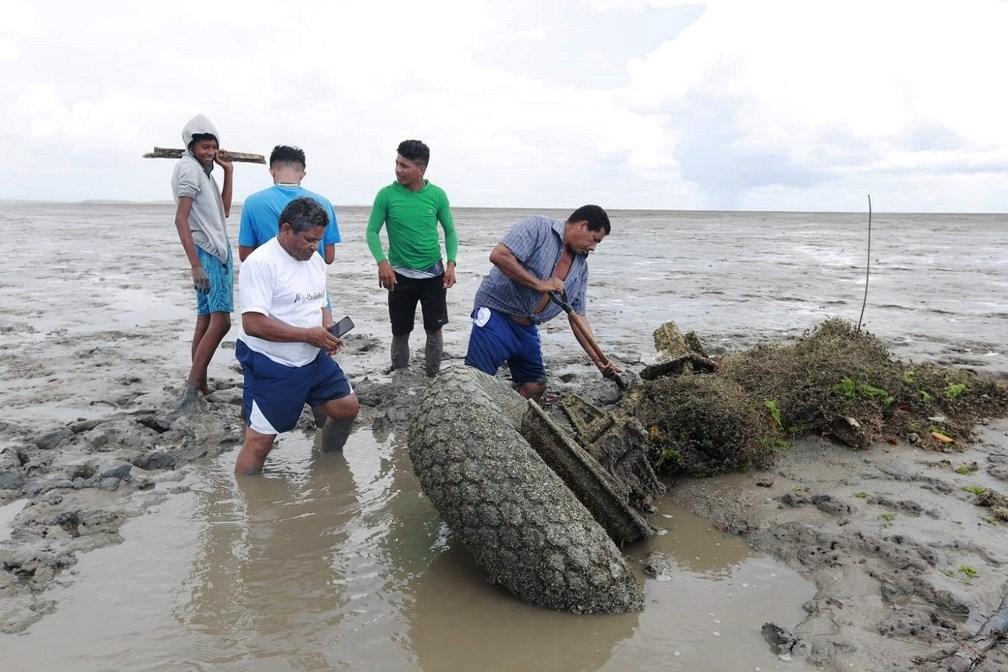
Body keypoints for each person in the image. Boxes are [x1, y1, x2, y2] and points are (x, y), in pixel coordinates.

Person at [233, 197, 359, 475]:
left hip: (312, 357)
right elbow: (253, 323)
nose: (315, 247)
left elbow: (320, 301)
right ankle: (249, 502)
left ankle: (329, 461)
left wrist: (326, 330)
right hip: (272, 362)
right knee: (259, 443)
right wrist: (307, 335)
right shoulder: (261, 264)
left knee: (346, 407)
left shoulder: (315, 261)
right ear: (287, 229)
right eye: (309, 240)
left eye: (319, 240)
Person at [464, 205, 620, 401]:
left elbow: (578, 316)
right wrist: (539, 284)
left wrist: (599, 360)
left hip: (527, 327)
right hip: (497, 314)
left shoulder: (581, 267)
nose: (593, 248)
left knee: (535, 386)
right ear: (582, 225)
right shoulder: (538, 228)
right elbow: (499, 255)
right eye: (595, 239)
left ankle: (507, 421)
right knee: (475, 382)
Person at [366, 139, 458, 376]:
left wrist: (451, 264)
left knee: (434, 330)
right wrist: (382, 262)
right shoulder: (386, 195)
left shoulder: (437, 195)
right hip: (399, 276)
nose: (398, 169)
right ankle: (399, 374)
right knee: (400, 330)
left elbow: (450, 232)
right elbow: (372, 232)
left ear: (421, 169)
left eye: (404, 165)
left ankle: (432, 375)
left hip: (433, 275)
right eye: (397, 163)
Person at [170, 113, 235, 411]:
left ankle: (201, 385)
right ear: (191, 146)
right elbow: (180, 219)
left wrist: (228, 173)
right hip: (208, 253)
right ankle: (192, 386)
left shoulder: (203, 172)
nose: (209, 152)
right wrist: (195, 264)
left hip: (214, 250)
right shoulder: (188, 171)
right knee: (221, 322)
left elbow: (223, 213)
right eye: (204, 147)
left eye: (213, 147)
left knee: (206, 320)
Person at [238, 145, 341, 266]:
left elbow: (245, 255)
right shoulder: (323, 203)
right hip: (310, 276)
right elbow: (329, 257)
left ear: (272, 171)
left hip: (269, 274)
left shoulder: (252, 202)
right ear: (303, 174)